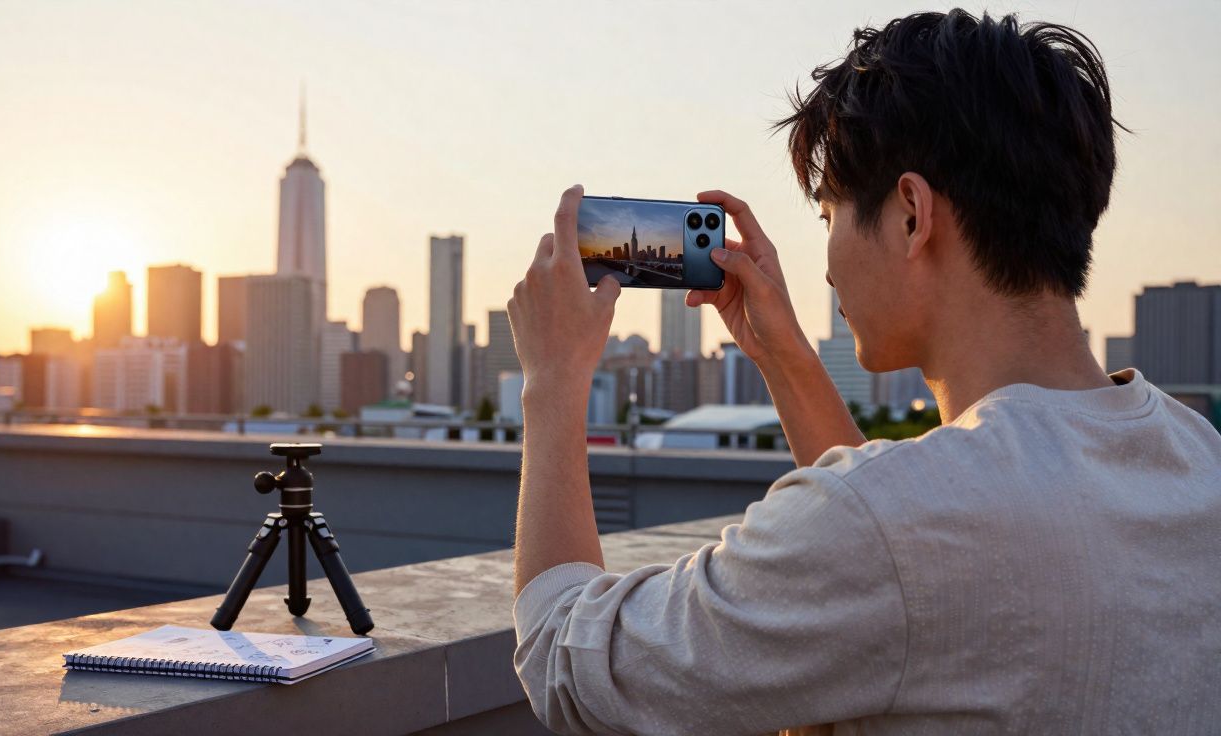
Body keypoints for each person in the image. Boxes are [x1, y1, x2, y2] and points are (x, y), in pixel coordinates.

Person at [505, 8, 1221, 735]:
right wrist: (783, 358)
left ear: (911, 214)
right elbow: (905, 558)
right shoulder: (1198, 460)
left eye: (829, 218)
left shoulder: (889, 525)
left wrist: (554, 382)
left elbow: (568, 663)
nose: (824, 264)